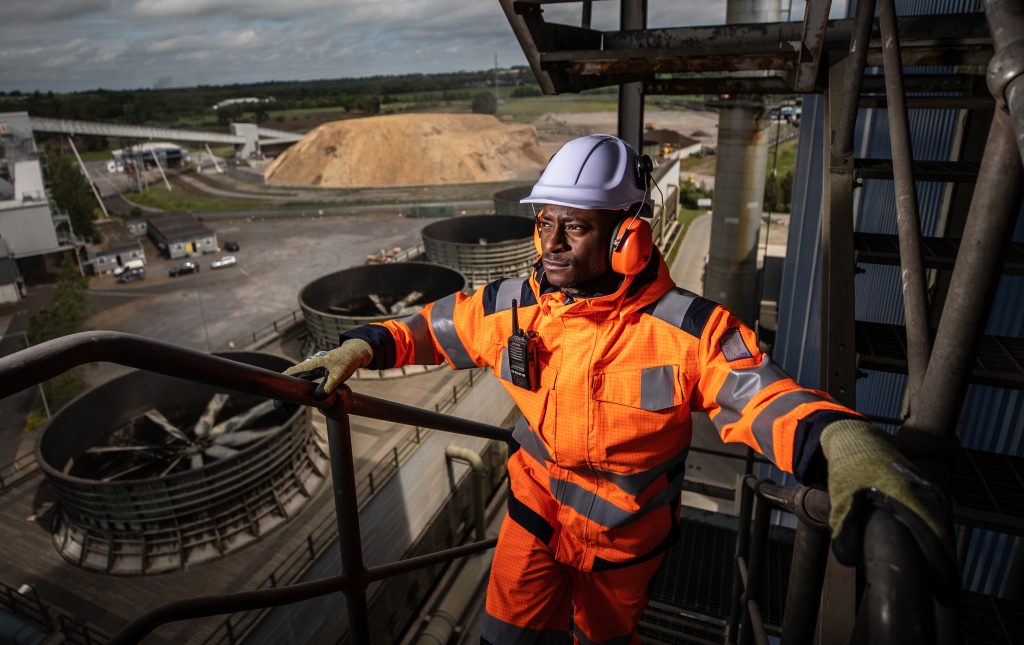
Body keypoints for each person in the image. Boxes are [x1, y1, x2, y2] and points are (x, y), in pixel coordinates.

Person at [285, 135, 953, 644]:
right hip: (533, 524)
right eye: (544, 222)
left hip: (624, 551)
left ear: (629, 236)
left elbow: (762, 396)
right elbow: (426, 329)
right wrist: (358, 345)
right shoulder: (511, 306)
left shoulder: (688, 330)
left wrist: (842, 440)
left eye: (573, 226)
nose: (549, 243)